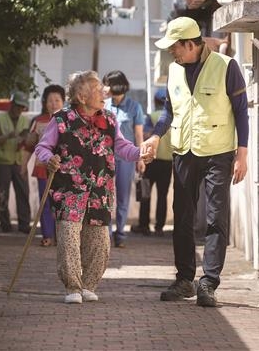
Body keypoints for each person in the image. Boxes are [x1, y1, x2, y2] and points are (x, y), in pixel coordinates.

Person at [141, 16, 249, 307]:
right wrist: (155, 137)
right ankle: (185, 279)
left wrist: (242, 153)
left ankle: (209, 283)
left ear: (190, 44)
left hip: (218, 151)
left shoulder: (227, 67)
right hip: (183, 151)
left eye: (175, 47)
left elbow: (241, 112)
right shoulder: (174, 71)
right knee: (183, 216)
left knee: (216, 217)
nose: (171, 53)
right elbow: (169, 112)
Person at [35, 71, 152, 304]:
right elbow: (42, 148)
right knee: (68, 237)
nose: (104, 92)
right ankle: (72, 287)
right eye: (98, 89)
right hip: (68, 190)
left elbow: (122, 146)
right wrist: (49, 158)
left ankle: (88, 284)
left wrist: (140, 152)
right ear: (81, 95)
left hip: (99, 192)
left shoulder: (109, 120)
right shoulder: (60, 120)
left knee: (99, 242)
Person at [102, 70, 145, 248]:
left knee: (122, 198)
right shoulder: (103, 106)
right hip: (105, 158)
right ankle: (107, 235)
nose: (105, 88)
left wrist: (140, 159)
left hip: (126, 159)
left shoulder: (135, 107)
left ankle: (120, 234)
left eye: (108, 84)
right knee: (105, 198)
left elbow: (138, 135)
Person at [25, 84, 66, 247]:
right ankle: (47, 235)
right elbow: (29, 145)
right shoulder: (38, 121)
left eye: (57, 100)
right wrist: (23, 163)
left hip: (63, 170)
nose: (54, 103)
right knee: (45, 202)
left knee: (62, 202)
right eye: (50, 100)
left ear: (64, 102)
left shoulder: (69, 120)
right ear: (44, 102)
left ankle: (61, 235)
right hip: (43, 167)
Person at [131, 88, 172, 237]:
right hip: (168, 161)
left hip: (151, 160)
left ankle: (144, 225)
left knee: (145, 193)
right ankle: (159, 227)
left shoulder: (152, 116)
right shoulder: (173, 117)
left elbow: (146, 134)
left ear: (155, 101)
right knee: (163, 195)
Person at [0, 91, 31, 233]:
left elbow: (28, 137)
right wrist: (8, 136)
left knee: (23, 193)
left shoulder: (26, 121)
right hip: (3, 162)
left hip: (19, 162)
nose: (20, 109)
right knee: (3, 194)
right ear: (12, 104)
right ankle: (5, 224)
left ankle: (24, 225)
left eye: (22, 107)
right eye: (18, 106)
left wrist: (24, 139)